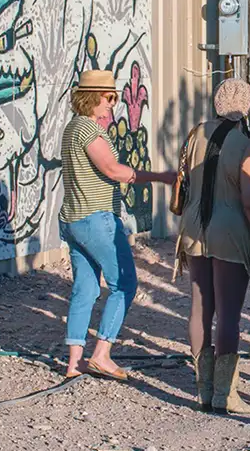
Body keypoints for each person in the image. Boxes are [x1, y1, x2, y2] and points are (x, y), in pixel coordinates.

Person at [59, 70, 176, 380]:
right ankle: (102, 354)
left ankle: (74, 362)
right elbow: (113, 170)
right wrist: (161, 177)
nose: (112, 104)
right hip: (96, 218)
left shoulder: (72, 128)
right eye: (108, 98)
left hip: (72, 218)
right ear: (93, 97)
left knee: (85, 288)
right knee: (123, 284)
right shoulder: (88, 131)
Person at [175, 78, 250, 414]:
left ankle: (203, 389)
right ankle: (225, 394)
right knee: (229, 314)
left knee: (200, 307)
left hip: (193, 227)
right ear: (245, 106)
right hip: (229, 231)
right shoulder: (245, 144)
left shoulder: (195, 134)